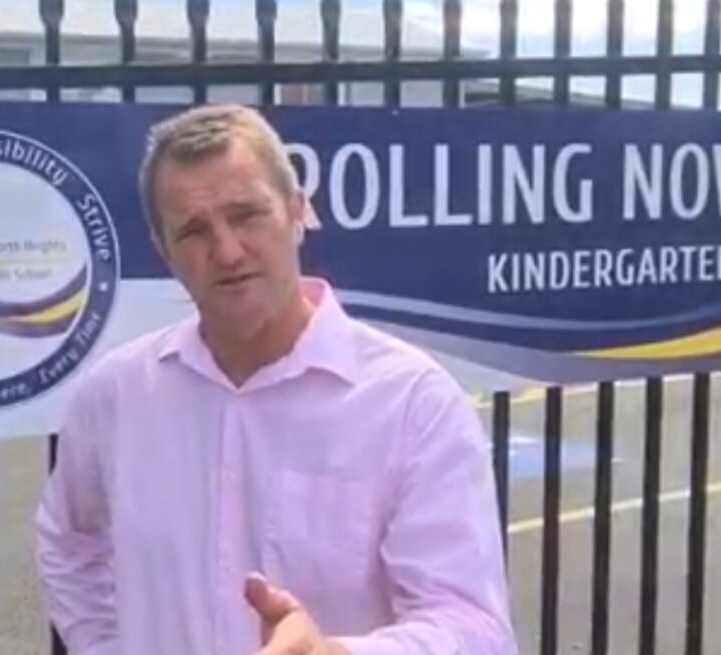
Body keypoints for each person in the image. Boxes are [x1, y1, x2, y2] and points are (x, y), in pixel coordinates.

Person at [34, 104, 517, 655]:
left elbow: (476, 628)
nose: (227, 251)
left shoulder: (412, 403)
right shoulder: (116, 397)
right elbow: (67, 545)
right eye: (194, 231)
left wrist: (335, 654)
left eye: (246, 215)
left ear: (297, 211)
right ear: (163, 250)